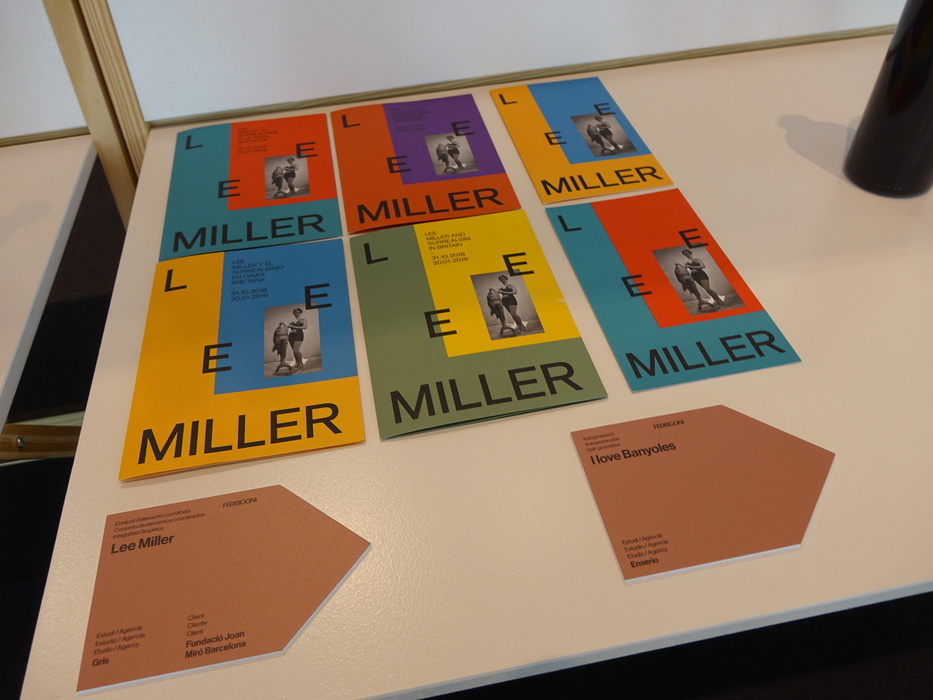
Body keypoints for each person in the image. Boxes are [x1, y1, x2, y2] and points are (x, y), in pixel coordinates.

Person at [288, 307, 308, 371]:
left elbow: (305, 327)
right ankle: (297, 363)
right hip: (291, 336)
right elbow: (287, 327)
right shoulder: (291, 321)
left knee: (296, 350)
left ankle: (301, 363)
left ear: (300, 313)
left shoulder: (303, 319)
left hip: (299, 336)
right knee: (294, 351)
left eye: (298, 312)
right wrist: (289, 328)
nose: (297, 313)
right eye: (295, 312)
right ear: (293, 313)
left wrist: (293, 326)